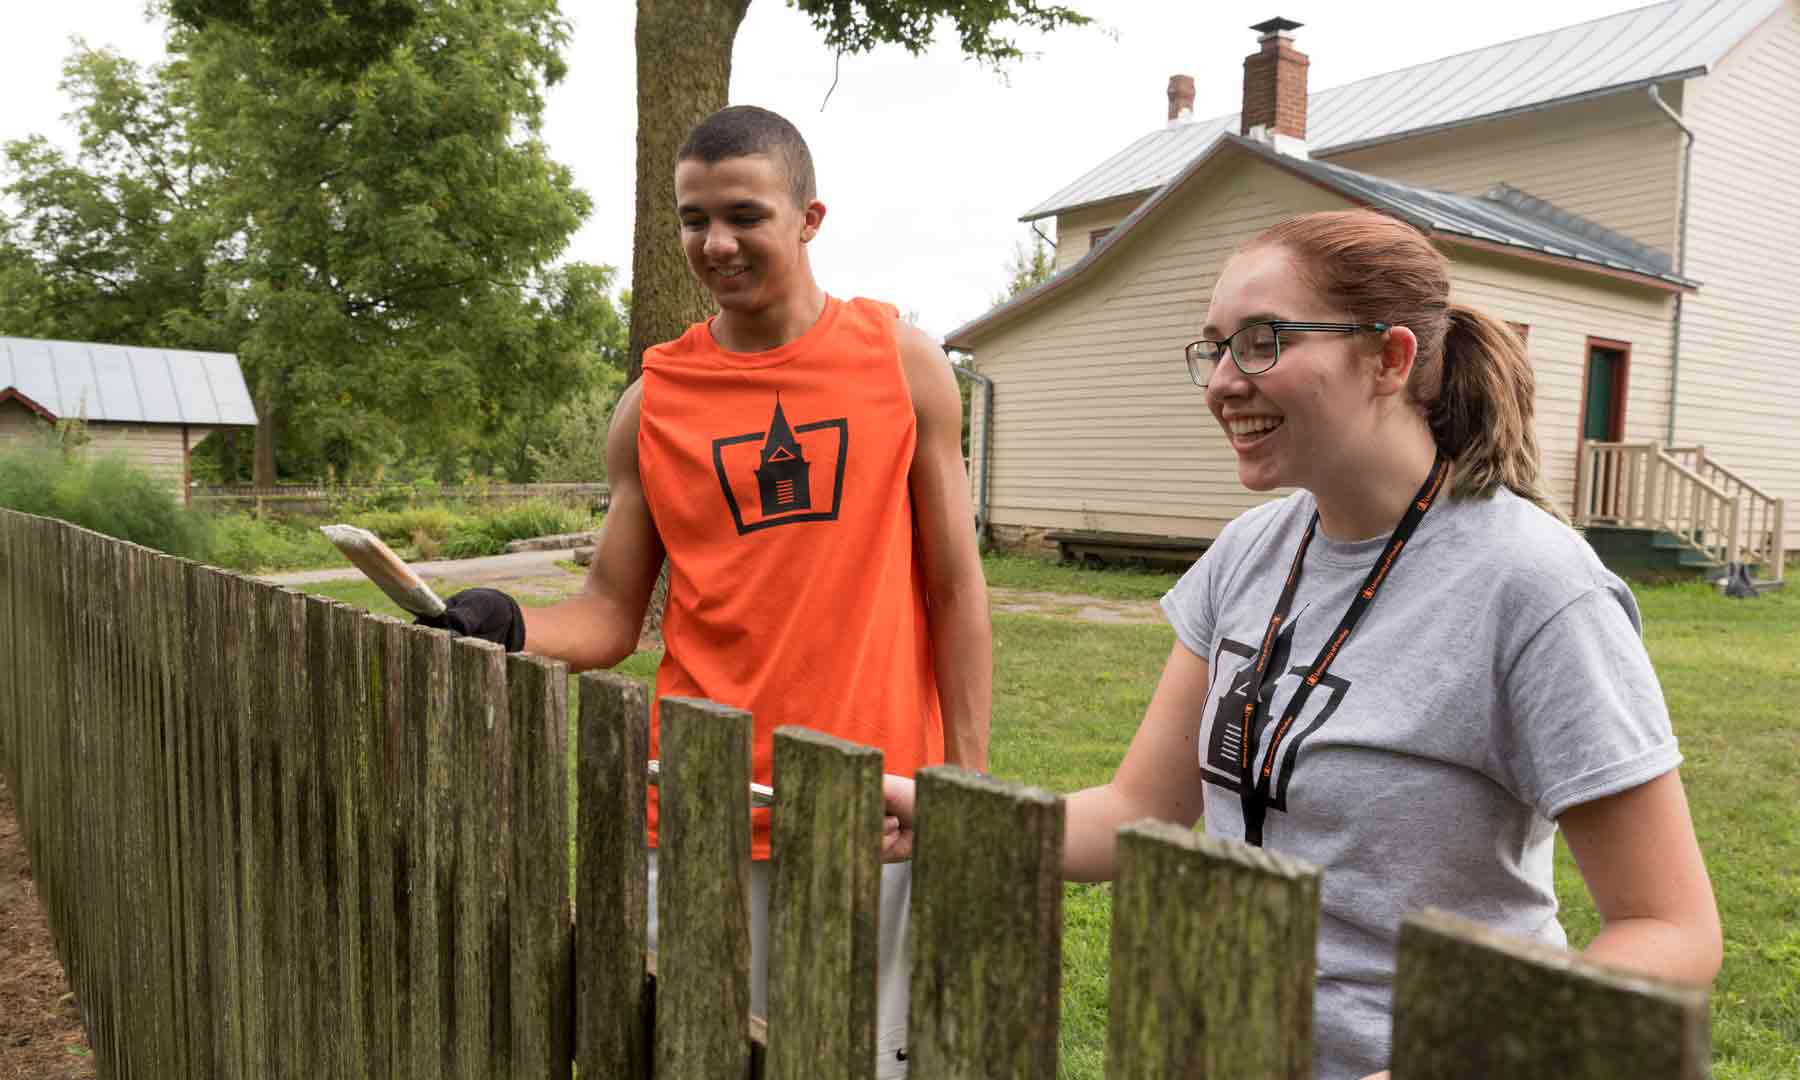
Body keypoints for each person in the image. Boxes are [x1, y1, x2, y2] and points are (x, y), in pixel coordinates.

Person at [878, 209, 1720, 1080]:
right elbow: (1137, 813)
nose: (1223, 383)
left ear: (1390, 359)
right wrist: (945, 812)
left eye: (1264, 341)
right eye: (1215, 347)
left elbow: (1671, 931)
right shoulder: (1250, 552)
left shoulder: (1535, 588)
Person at [426, 105, 991, 1077]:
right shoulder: (654, 403)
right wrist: (507, 622)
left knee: (859, 1062)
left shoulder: (902, 364)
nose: (715, 243)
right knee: (697, 1054)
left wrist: (967, 786)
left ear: (809, 218)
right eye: (694, 219)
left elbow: (955, 590)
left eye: (744, 215)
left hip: (875, 803)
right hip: (697, 803)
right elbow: (610, 611)